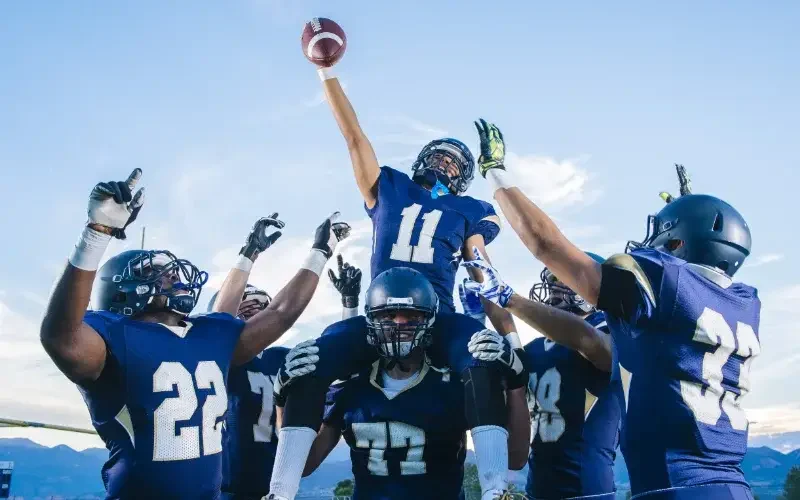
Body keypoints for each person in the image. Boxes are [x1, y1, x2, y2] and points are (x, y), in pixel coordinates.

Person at [268, 51, 526, 500]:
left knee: (484, 359)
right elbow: (353, 137)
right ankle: (280, 491)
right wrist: (326, 72)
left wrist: (501, 323)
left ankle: (494, 490)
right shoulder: (388, 186)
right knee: (306, 362)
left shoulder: (470, 210)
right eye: (440, 157)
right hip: (380, 314)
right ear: (423, 157)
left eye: (454, 163)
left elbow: (479, 262)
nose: (446, 165)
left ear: (463, 178)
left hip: (438, 316)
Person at [472, 122, 762, 500]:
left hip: (674, 486)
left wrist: (495, 172)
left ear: (676, 243)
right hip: (730, 484)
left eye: (662, 234)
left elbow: (546, 244)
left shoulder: (663, 282)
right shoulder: (745, 301)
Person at [39, 170, 349, 499]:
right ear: (122, 291)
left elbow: (281, 312)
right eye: (156, 270)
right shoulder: (113, 335)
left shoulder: (207, 333)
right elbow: (62, 337)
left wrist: (320, 251)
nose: (172, 274)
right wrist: (97, 234)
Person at [296, 267, 530, 500]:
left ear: (429, 319)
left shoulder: (453, 381)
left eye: (412, 315)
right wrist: (282, 399)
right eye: (388, 315)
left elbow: (515, 458)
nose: (399, 324)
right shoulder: (351, 383)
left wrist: (517, 383)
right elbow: (304, 465)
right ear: (372, 319)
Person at [461, 253, 621, 499]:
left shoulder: (605, 331)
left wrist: (507, 298)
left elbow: (590, 343)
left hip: (588, 492)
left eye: (564, 278)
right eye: (552, 280)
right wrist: (476, 325)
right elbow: (515, 457)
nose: (554, 286)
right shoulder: (535, 349)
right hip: (538, 490)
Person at [212, 255, 363, 500]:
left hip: (279, 484)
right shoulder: (219, 361)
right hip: (226, 487)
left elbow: (341, 369)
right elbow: (218, 330)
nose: (255, 312)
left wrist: (349, 306)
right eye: (245, 306)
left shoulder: (283, 357)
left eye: (260, 305)